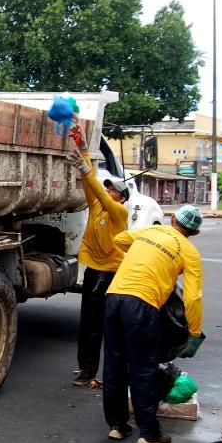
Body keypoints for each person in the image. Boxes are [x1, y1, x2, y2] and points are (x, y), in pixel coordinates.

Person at [102, 205, 205, 443]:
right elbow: (193, 297)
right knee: (143, 367)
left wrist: (141, 249)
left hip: (113, 298)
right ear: (194, 232)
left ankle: (118, 425)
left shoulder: (148, 232)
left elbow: (119, 238)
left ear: (172, 219)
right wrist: (195, 333)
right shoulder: (189, 251)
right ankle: (148, 432)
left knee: (114, 364)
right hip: (142, 304)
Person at [66, 124, 129, 388]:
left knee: (103, 326)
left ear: (121, 197)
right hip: (95, 271)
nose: (108, 191)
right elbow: (92, 187)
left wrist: (86, 170)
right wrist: (83, 150)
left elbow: (100, 194)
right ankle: (86, 368)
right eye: (108, 189)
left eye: (112, 189)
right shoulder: (98, 209)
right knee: (88, 323)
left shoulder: (119, 213)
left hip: (111, 273)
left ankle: (100, 371)